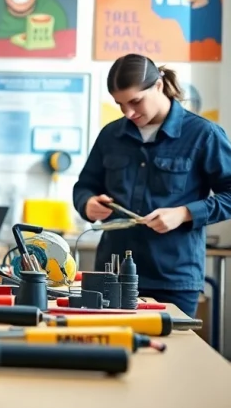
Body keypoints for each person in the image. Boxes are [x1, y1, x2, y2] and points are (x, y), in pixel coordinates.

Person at [73, 54, 231, 318]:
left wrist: (184, 213)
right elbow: (84, 186)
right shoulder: (110, 135)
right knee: (110, 356)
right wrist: (87, 204)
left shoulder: (204, 135)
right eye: (120, 105)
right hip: (110, 278)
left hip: (172, 280)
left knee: (170, 357)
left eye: (135, 101)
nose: (129, 113)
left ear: (158, 85)